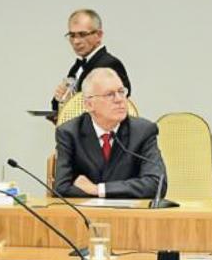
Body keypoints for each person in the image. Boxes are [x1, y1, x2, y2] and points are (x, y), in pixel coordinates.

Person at [53, 67, 166, 199]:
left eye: (121, 92)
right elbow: (62, 188)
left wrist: (99, 190)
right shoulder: (69, 133)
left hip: (130, 211)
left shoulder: (143, 131)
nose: (119, 99)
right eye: (109, 94)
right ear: (89, 105)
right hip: (85, 211)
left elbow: (157, 184)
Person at [50, 8, 131, 113]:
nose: (76, 41)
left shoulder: (110, 64)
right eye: (72, 35)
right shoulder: (77, 66)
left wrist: (72, 103)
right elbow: (57, 106)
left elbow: (114, 107)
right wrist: (60, 98)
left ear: (99, 35)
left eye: (82, 34)